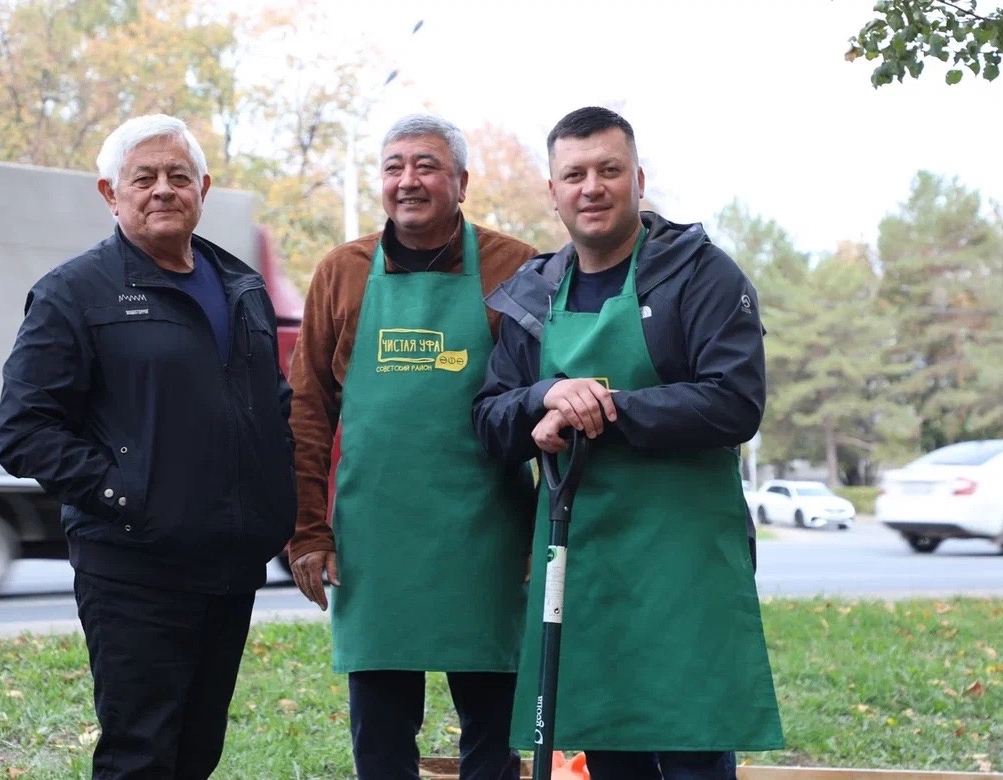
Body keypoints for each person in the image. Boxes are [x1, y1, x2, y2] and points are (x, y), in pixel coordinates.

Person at [471, 106, 784, 780]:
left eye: (609, 170)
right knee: (609, 752)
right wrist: (541, 398)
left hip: (684, 562)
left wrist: (605, 410)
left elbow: (735, 401)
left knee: (694, 746)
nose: (593, 187)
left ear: (637, 178)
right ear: (552, 192)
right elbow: (490, 421)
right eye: (574, 174)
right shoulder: (530, 295)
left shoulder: (700, 275)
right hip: (584, 564)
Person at [0, 114, 296, 780]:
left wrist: (283, 516)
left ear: (204, 188)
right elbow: (23, 430)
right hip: (134, 568)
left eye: (178, 176)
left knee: (197, 751)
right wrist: (129, 497)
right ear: (110, 193)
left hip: (228, 566)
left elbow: (272, 409)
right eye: (144, 177)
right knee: (141, 754)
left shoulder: (241, 287)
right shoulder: (74, 294)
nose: (163, 189)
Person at [286, 113, 538, 780]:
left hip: (489, 537)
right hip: (375, 542)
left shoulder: (518, 269)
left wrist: (542, 537)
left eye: (426, 166)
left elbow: (548, 407)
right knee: (381, 735)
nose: (408, 181)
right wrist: (308, 531)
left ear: (460, 181)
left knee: (494, 730)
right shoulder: (340, 273)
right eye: (394, 166)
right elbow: (307, 412)